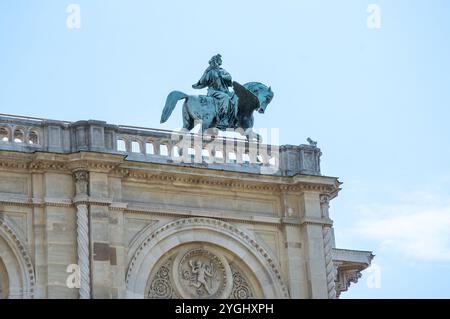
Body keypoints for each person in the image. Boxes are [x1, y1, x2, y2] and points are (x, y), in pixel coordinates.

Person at [192, 54, 237, 127]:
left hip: (225, 91)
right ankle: (223, 118)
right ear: (215, 61)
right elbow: (203, 81)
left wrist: (221, 75)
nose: (220, 61)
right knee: (225, 97)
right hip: (214, 92)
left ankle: (234, 119)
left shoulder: (222, 70)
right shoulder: (210, 71)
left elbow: (229, 77)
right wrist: (207, 71)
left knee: (235, 96)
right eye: (219, 60)